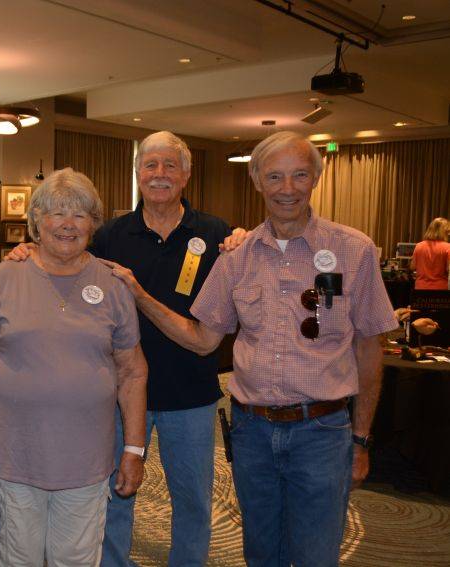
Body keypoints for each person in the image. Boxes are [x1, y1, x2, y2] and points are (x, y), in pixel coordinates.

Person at [103, 131, 398, 566]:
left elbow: (370, 347)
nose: (288, 188)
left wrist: (361, 438)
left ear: (316, 177)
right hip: (244, 428)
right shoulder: (232, 255)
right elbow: (204, 338)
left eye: (299, 175)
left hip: (310, 428)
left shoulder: (346, 250)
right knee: (258, 550)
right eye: (275, 176)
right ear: (258, 181)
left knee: (313, 550)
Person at [7, 131, 247, 567]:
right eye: (150, 165)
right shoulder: (111, 235)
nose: (159, 175)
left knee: (193, 503)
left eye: (169, 165)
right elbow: (64, 260)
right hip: (117, 394)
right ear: (137, 174)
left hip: (190, 394)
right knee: (116, 497)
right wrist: (29, 247)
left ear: (186, 174)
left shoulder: (215, 234)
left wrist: (240, 239)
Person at [0, 168, 148, 566]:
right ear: (36, 221)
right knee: (18, 556)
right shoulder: (4, 277)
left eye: (79, 214)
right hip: (14, 454)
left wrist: (134, 449)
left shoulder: (113, 284)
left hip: (86, 461)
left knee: (75, 559)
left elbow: (133, 372)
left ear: (93, 223)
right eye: (56, 213)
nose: (68, 224)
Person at [411, 217, 450, 290]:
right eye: (447, 231)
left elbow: (413, 267)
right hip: (440, 289)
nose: (448, 234)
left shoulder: (419, 246)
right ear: (443, 232)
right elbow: (449, 269)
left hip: (420, 287)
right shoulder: (448, 247)